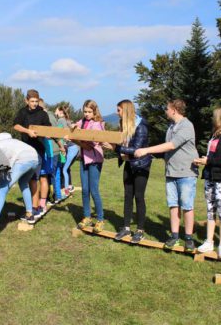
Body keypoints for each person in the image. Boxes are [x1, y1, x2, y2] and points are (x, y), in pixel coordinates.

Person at [135, 99, 198, 251]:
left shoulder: (186, 126)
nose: (165, 111)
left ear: (174, 110)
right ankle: (174, 236)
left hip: (186, 172)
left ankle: (188, 238)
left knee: (187, 206)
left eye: (167, 109)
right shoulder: (171, 126)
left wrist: (146, 150)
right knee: (173, 205)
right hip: (171, 172)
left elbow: (171, 145)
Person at [104, 100, 152, 243]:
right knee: (127, 196)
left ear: (125, 111)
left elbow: (136, 150)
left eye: (118, 110)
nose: (117, 113)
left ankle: (140, 230)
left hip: (141, 166)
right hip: (129, 164)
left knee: (138, 196)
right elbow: (123, 143)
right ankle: (126, 228)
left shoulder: (141, 127)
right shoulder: (123, 125)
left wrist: (114, 148)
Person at [194, 107, 221, 259]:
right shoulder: (215, 134)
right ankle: (209, 241)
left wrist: (209, 161)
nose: (213, 119)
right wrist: (204, 161)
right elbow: (211, 155)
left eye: (215, 116)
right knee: (210, 209)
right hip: (210, 176)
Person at [0, 132, 40, 228]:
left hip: (23, 160)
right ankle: (29, 214)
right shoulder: (13, 142)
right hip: (35, 158)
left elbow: (1, 165)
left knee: (3, 188)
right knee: (23, 183)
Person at [13, 89, 52, 218]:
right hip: (25, 150)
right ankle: (29, 207)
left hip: (38, 150)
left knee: (34, 179)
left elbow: (49, 129)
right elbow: (16, 125)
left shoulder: (42, 114)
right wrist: (27, 131)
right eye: (32, 101)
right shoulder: (22, 112)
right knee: (25, 179)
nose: (35, 104)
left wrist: (47, 134)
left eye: (36, 101)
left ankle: (35, 208)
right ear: (26, 100)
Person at [72, 100, 106, 233]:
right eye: (85, 111)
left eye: (89, 112)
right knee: (85, 190)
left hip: (94, 160)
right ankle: (87, 216)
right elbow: (74, 127)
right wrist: (73, 129)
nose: (87, 114)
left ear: (94, 111)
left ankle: (100, 219)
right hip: (84, 160)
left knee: (94, 190)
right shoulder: (82, 122)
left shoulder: (97, 124)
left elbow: (91, 143)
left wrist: (77, 139)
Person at [55, 104, 79, 197]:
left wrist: (63, 142)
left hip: (71, 148)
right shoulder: (66, 120)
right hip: (74, 148)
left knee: (64, 169)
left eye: (56, 111)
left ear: (60, 112)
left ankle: (66, 189)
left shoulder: (60, 120)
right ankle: (68, 188)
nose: (55, 112)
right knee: (66, 168)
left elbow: (62, 133)